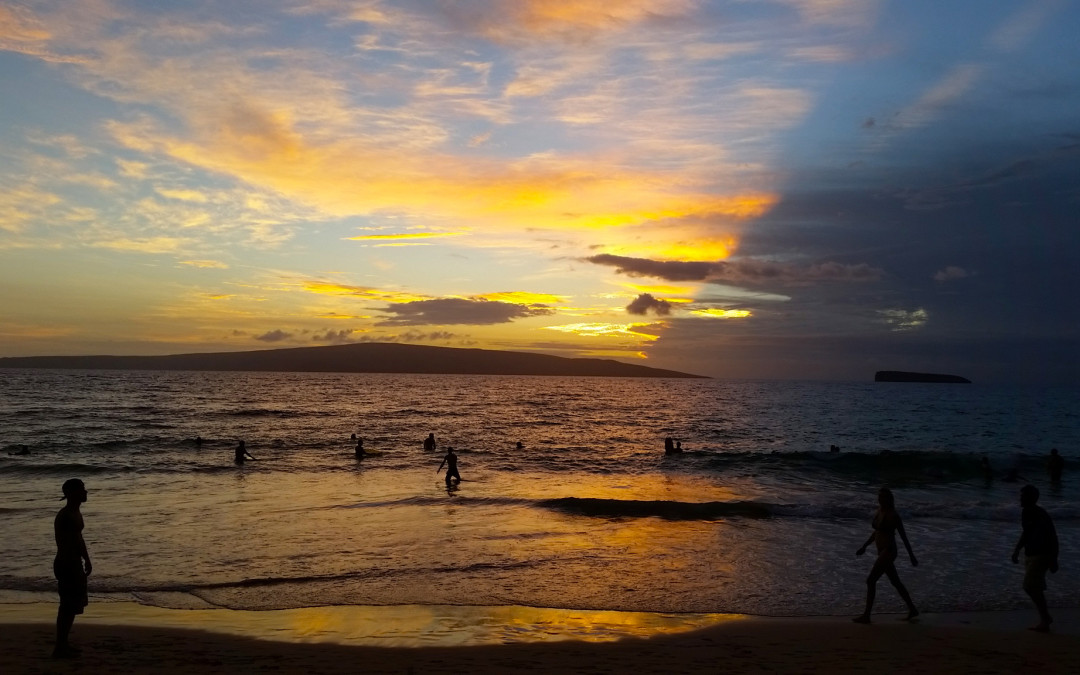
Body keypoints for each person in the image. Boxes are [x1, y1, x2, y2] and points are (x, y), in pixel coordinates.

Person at [853, 487, 919, 623]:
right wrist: (864, 546)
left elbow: (903, 537)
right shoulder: (879, 511)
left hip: (889, 551)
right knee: (895, 582)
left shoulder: (894, 515)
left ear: (889, 499)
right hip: (881, 550)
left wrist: (912, 556)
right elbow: (876, 533)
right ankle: (912, 609)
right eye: (879, 497)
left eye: (883, 497)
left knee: (870, 580)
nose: (880, 499)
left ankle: (867, 616)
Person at [1012, 485, 1059, 632]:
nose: (1020, 498)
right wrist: (1017, 550)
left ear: (1032, 498)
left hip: (1042, 555)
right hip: (1031, 554)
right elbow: (1026, 533)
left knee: (1030, 586)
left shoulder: (1039, 514)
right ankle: (1045, 619)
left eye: (1023, 495)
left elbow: (1052, 536)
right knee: (1034, 587)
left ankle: (1045, 618)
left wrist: (1054, 558)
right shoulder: (1026, 512)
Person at [54, 479, 92, 658]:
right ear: (71, 493)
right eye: (81, 490)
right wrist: (74, 565)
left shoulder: (76, 512)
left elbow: (79, 538)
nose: (85, 492)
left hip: (74, 563)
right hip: (66, 563)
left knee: (71, 606)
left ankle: (63, 644)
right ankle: (60, 646)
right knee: (67, 606)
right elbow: (69, 543)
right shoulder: (66, 515)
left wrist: (86, 558)